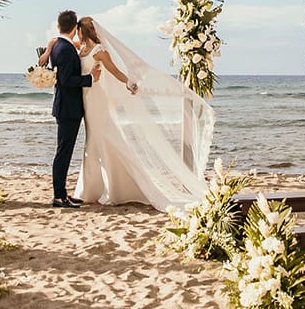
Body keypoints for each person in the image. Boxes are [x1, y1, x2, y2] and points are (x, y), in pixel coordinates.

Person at [69, 15, 215, 209]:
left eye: (79, 29)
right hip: (87, 100)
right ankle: (101, 187)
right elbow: (61, 41)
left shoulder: (99, 51)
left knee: (96, 141)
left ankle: (95, 190)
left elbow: (114, 71)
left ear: (82, 30)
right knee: (97, 141)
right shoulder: (82, 50)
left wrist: (128, 82)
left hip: (97, 100)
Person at [40, 9, 98, 209]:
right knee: (63, 152)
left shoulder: (59, 45)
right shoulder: (64, 49)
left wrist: (48, 49)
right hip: (67, 109)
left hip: (67, 107)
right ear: (74, 28)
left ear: (59, 26)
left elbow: (54, 45)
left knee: (65, 151)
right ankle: (58, 197)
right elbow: (66, 80)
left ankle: (63, 193)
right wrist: (90, 78)